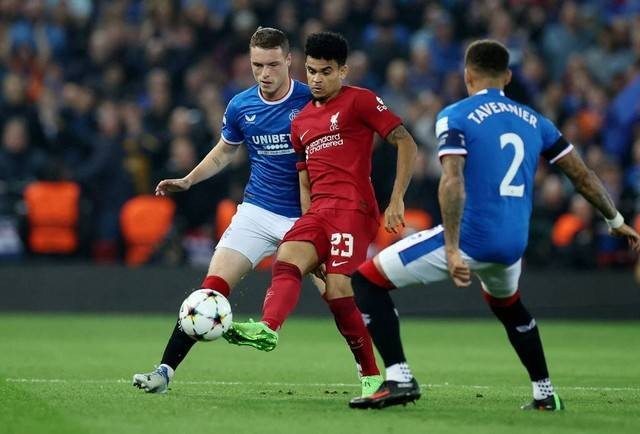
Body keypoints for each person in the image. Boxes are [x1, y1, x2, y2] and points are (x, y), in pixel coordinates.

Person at [347, 39, 640, 410]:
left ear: (467, 75)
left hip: (472, 239)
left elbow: (451, 180)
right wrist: (615, 219)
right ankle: (545, 394)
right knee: (510, 307)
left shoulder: (455, 115)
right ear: (508, 76)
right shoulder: (537, 121)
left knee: (367, 280)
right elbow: (582, 176)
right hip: (512, 244)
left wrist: (452, 249)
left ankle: (399, 378)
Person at [133, 28, 383, 397]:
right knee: (210, 292)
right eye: (256, 65)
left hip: (306, 216)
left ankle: (372, 377)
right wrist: (188, 180)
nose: (264, 73)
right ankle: (164, 371)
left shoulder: (312, 99)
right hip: (256, 210)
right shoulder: (241, 106)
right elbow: (223, 152)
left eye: (271, 65)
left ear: (288, 62)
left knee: (338, 295)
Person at [224, 32, 418, 384]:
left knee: (340, 288)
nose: (316, 79)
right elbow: (304, 183)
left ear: (343, 71)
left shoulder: (360, 101)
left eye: (325, 72)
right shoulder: (299, 123)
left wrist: (397, 198)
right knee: (288, 256)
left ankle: (372, 376)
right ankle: (268, 328)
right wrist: (310, 233)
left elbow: (405, 142)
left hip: (354, 209)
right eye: (311, 71)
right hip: (318, 213)